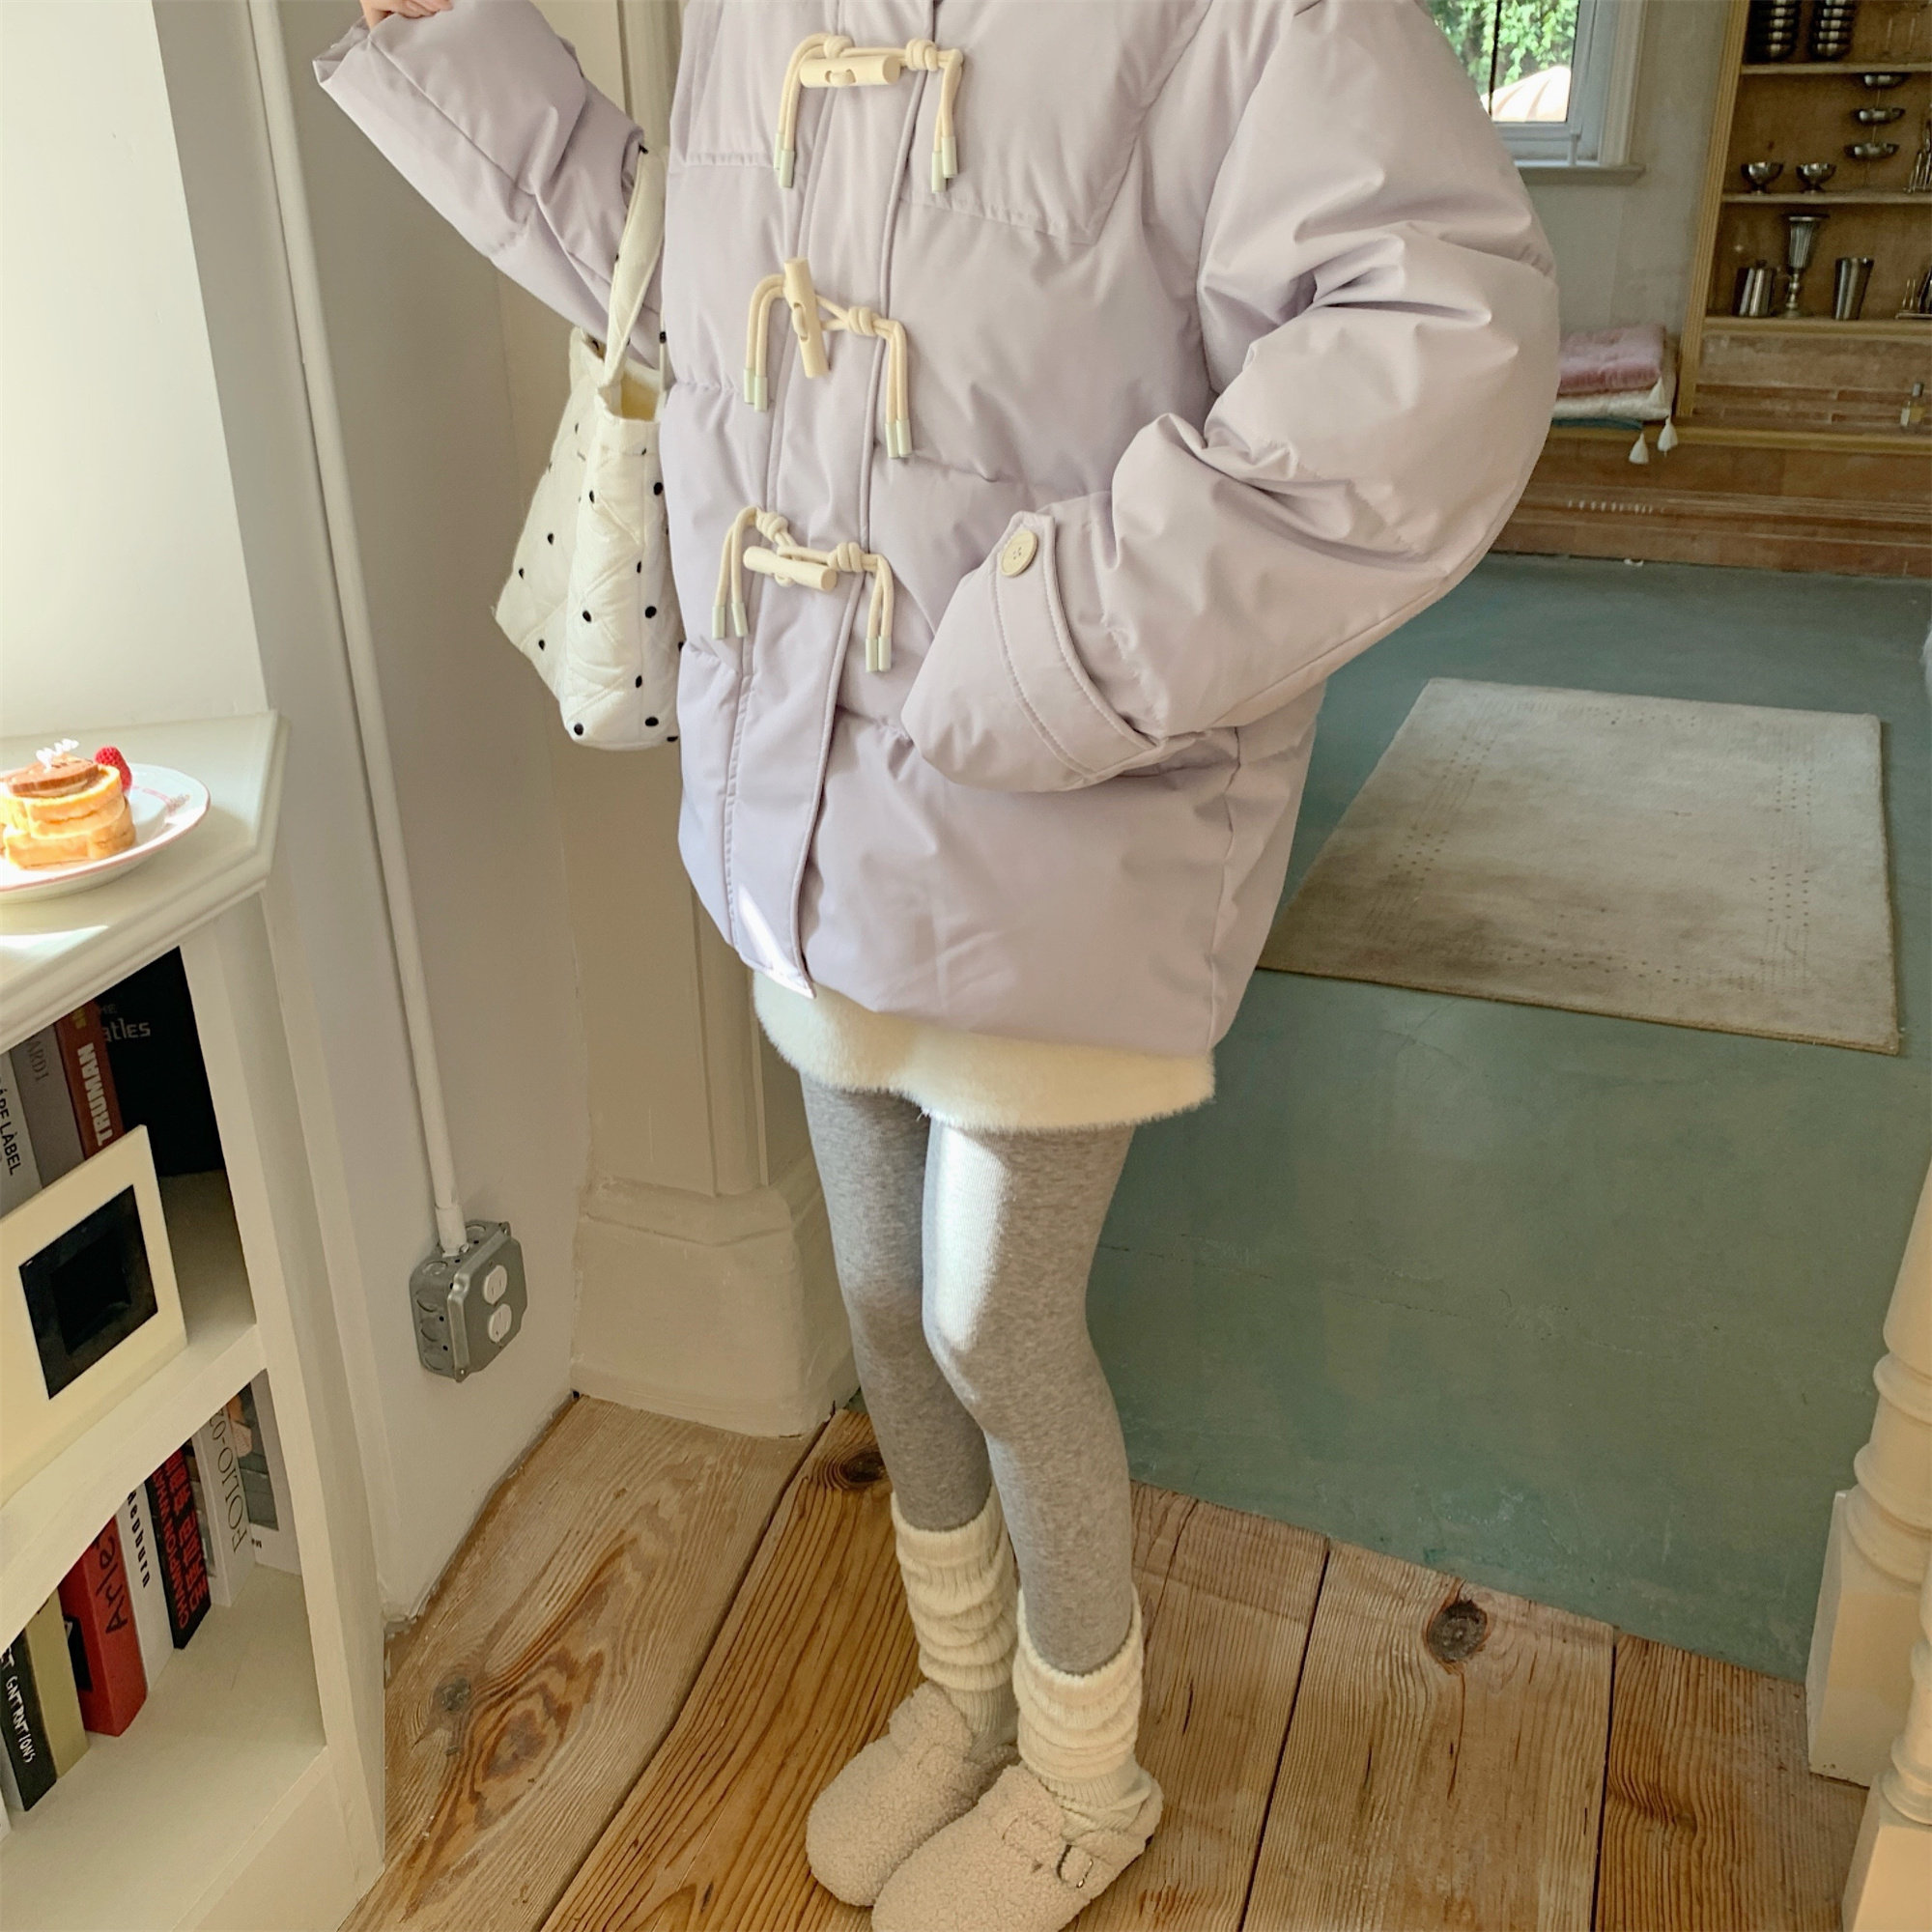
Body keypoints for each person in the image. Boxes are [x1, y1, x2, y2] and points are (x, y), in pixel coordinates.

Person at [319, 3, 1557, 1923]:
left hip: (1068, 805)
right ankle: (963, 1692)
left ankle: (1083, 1771)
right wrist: (451, 43)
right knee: (886, 1300)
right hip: (804, 785)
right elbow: (683, 281)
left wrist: (1062, 644)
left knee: (996, 1323)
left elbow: (1438, 338)